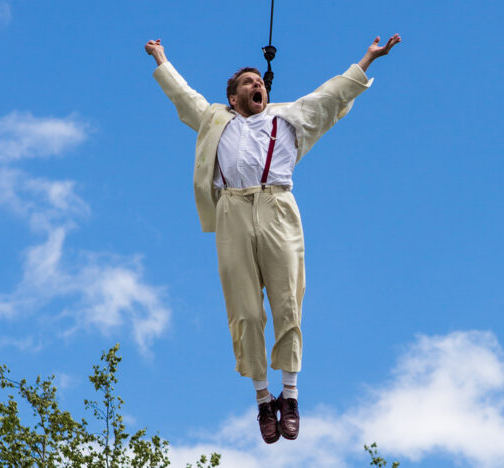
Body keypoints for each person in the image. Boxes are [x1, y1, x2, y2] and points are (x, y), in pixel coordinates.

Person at [145, 33, 401, 443]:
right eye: (246, 82)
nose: (255, 84)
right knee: (245, 311)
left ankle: (291, 395)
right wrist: (161, 58)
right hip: (232, 212)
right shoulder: (215, 120)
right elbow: (184, 96)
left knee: (287, 302)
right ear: (232, 97)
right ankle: (264, 400)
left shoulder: (289, 119)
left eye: (257, 81)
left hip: (278, 207)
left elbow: (331, 95)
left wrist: (367, 59)